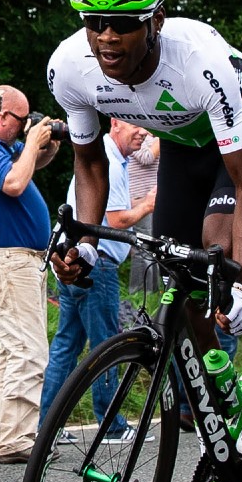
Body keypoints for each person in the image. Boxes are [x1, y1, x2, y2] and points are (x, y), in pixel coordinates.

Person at [46, 0, 242, 482]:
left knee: (215, 248)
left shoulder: (196, 59)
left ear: (154, 20)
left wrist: (238, 279)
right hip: (185, 146)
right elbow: (89, 166)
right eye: (94, 22)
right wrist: (81, 241)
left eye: (124, 24)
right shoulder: (69, 68)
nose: (106, 37)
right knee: (182, 286)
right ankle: (221, 443)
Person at [43, 116, 154, 445]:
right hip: (97, 264)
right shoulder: (109, 161)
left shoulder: (102, 156)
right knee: (107, 344)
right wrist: (148, 204)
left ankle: (48, 425)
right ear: (115, 123)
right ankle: (112, 425)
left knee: (67, 344)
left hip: (71, 258)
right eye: (136, 125)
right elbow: (118, 219)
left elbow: (114, 211)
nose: (144, 133)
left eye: (146, 128)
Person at [0, 84, 59, 465]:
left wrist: (46, 141)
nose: (23, 128)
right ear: (1, 117)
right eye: (20, 121)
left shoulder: (4, 147)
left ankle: (13, 435)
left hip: (22, 260)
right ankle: (19, 440)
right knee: (27, 350)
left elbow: (34, 163)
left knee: (16, 349)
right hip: (8, 260)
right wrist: (32, 140)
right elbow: (15, 182)